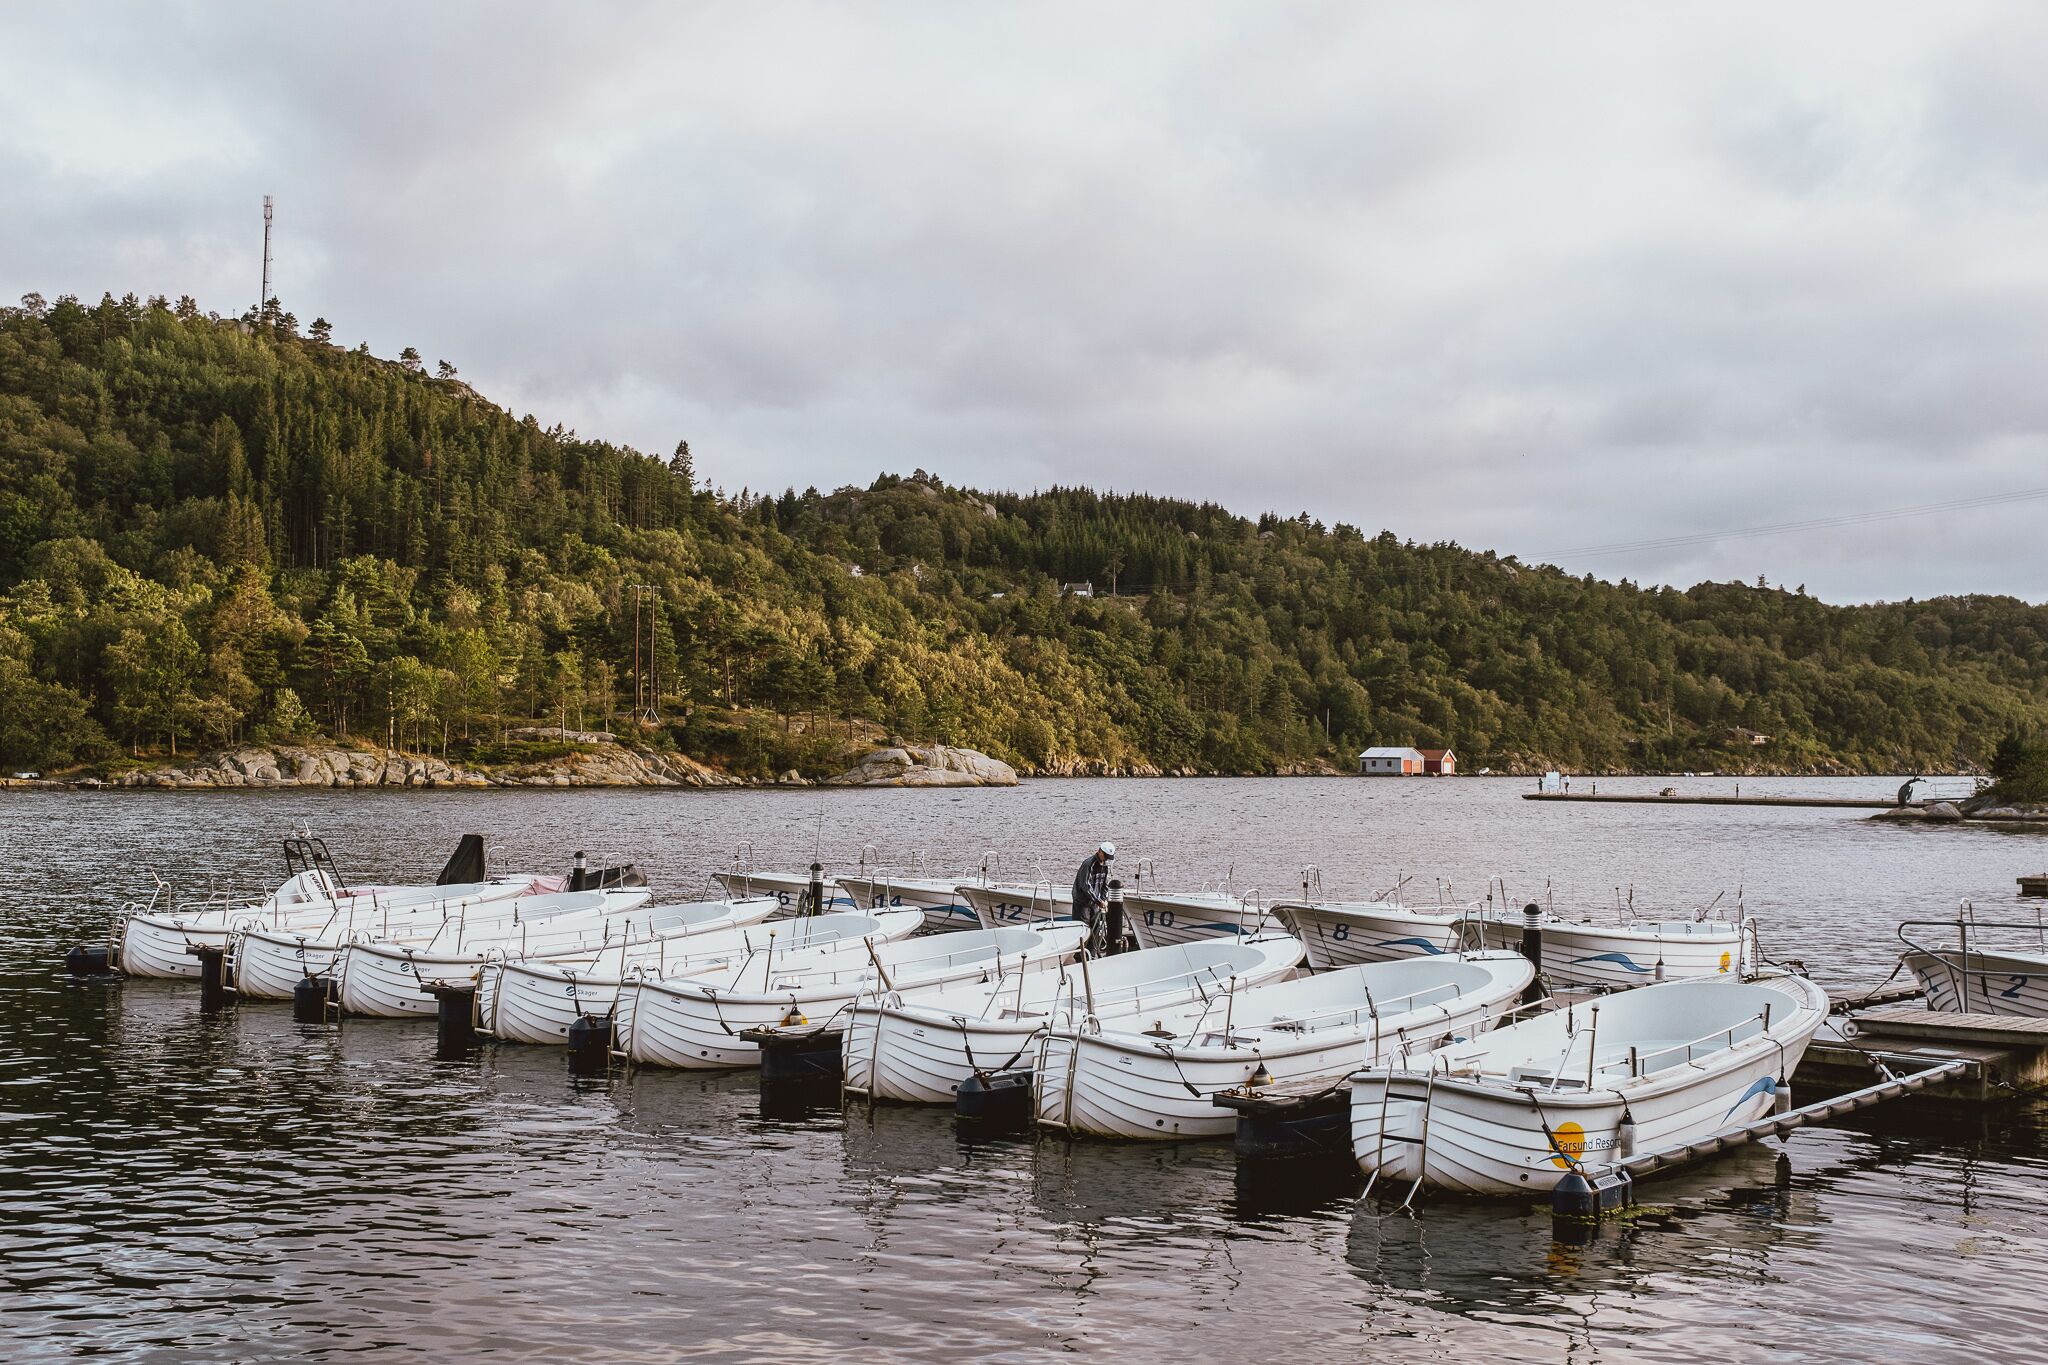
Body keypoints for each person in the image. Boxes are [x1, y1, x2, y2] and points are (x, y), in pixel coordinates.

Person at [1072, 841, 1116, 950]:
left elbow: (1105, 885)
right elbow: (1085, 886)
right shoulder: (1088, 864)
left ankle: (1092, 953)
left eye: (1108, 858)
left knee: (1095, 929)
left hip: (1095, 903)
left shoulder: (1104, 866)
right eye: (1105, 856)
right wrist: (1098, 901)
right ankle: (1080, 956)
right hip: (1082, 902)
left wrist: (1103, 899)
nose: (1106, 859)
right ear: (1100, 851)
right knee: (1083, 929)